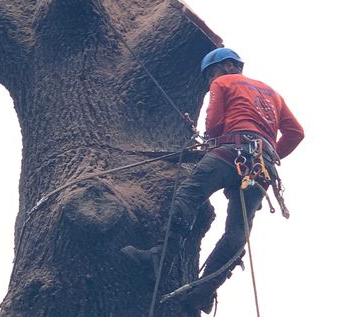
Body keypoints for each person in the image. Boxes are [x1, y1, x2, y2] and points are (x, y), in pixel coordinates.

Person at [121, 47, 304, 313]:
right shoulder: (272, 93)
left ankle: (159, 259)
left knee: (189, 194)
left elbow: (215, 125)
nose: (210, 82)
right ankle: (205, 289)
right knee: (238, 228)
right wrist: (269, 153)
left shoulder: (224, 82)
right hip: (261, 167)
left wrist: (216, 140)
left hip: (231, 151)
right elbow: (296, 133)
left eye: (210, 75)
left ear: (226, 67)